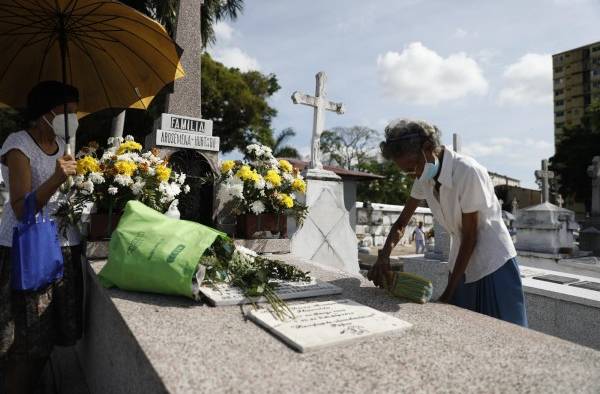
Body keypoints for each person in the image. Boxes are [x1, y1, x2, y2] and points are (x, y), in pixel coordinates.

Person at [368, 119, 527, 327]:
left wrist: (449, 293)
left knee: (503, 332)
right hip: (461, 260)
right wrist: (384, 256)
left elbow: (471, 236)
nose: (414, 174)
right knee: (465, 332)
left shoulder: (468, 172)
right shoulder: (424, 177)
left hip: (493, 263)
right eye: (407, 172)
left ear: (428, 148)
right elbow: (401, 223)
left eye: (413, 167)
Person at [0, 81, 83, 394]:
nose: (73, 119)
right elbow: (22, 208)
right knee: (23, 347)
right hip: (26, 251)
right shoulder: (17, 145)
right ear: (47, 113)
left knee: (46, 340)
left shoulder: (64, 149)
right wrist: (57, 177)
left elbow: (63, 199)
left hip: (59, 249)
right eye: (68, 112)